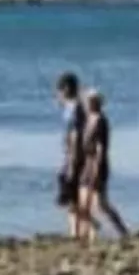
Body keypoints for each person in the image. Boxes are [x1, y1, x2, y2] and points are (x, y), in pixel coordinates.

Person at [78, 89, 130, 241]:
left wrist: (96, 170)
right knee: (82, 204)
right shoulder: (89, 119)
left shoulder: (101, 121)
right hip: (87, 164)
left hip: (97, 165)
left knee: (101, 204)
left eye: (89, 101)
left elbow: (101, 149)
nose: (86, 104)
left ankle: (122, 231)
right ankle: (92, 229)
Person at [54, 72, 88, 239]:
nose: (58, 94)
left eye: (60, 90)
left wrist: (72, 161)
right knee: (69, 193)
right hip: (69, 154)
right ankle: (75, 230)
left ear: (66, 89)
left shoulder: (76, 108)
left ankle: (82, 228)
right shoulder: (70, 107)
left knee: (72, 193)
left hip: (75, 155)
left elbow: (76, 135)